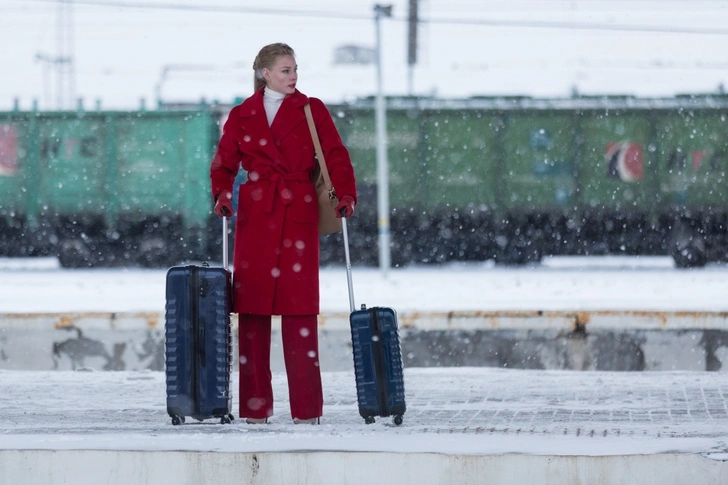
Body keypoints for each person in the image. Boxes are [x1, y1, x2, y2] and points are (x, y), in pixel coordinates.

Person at [209, 43, 357, 425]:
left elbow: (336, 154)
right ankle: (256, 410)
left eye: (295, 69)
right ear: (266, 73)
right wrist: (222, 194)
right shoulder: (243, 115)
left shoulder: (312, 109)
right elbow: (223, 163)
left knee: (300, 313)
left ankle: (307, 411)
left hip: (297, 210)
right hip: (258, 213)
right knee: (253, 313)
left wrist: (346, 194)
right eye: (287, 70)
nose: (294, 77)